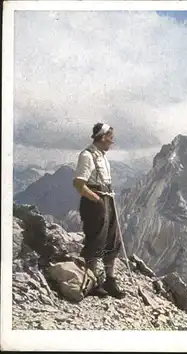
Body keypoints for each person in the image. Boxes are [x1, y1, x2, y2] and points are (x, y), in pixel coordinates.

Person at [72, 122, 126, 299]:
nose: (112, 141)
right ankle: (93, 281)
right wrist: (97, 200)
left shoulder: (101, 156)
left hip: (106, 199)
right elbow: (79, 183)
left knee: (112, 238)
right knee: (96, 238)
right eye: (110, 137)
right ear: (103, 137)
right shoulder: (87, 156)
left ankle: (109, 280)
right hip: (95, 201)